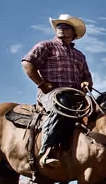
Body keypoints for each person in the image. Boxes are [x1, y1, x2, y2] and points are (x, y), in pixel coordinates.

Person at [22, 15, 92, 167]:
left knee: (96, 114)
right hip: (52, 94)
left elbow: (86, 76)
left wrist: (86, 82)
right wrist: (41, 84)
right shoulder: (46, 46)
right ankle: (48, 150)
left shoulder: (79, 56)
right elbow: (27, 63)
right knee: (61, 106)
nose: (61, 28)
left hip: (76, 96)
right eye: (59, 25)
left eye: (66, 26)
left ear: (73, 34)